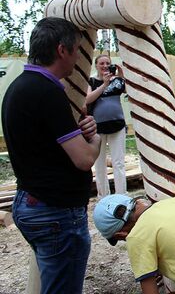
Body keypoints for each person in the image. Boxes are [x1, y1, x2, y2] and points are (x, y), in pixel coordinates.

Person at [2, 17, 101, 293]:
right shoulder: (47, 93)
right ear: (61, 50)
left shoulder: (19, 87)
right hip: (55, 212)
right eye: (77, 50)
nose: (78, 60)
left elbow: (45, 146)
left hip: (32, 202)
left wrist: (82, 132)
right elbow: (84, 159)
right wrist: (96, 139)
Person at [85, 54, 127, 199]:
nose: (104, 66)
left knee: (118, 162)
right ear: (96, 65)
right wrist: (104, 84)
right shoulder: (91, 80)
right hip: (97, 129)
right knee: (99, 164)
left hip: (117, 126)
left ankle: (121, 196)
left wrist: (122, 75)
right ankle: (103, 196)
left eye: (107, 63)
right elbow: (88, 98)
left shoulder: (116, 81)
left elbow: (129, 91)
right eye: (101, 63)